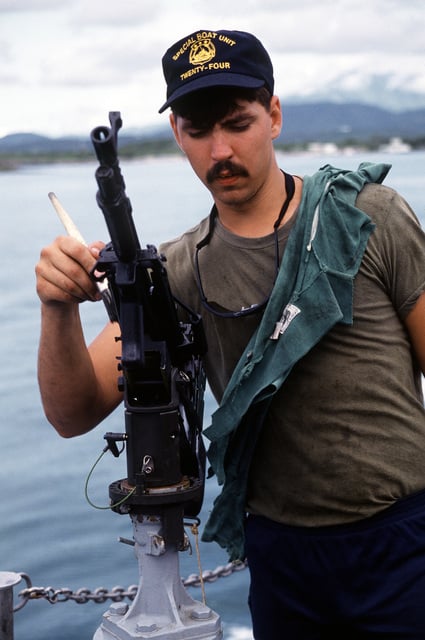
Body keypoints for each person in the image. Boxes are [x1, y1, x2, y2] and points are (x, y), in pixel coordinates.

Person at [36, 29, 425, 639]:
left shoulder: (367, 218)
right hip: (281, 560)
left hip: (403, 542)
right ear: (177, 135)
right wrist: (57, 306)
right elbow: (72, 410)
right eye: (198, 131)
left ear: (273, 116)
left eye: (238, 123)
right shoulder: (182, 271)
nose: (219, 149)